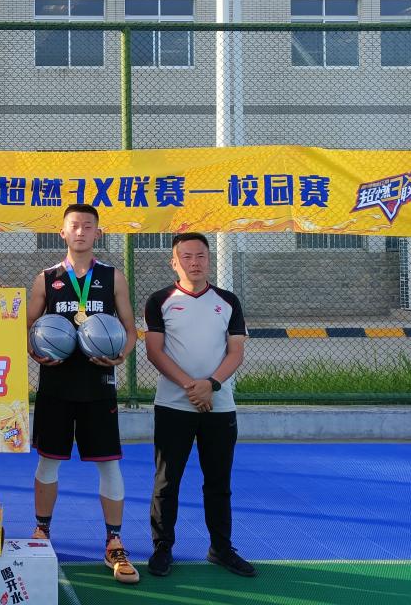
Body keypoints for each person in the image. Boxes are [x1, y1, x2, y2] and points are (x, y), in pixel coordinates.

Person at [25, 203, 140, 585]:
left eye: (87, 226)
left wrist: (121, 354)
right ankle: (42, 530)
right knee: (48, 463)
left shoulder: (112, 277)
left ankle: (114, 541)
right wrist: (34, 350)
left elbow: (129, 328)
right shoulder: (46, 279)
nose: (80, 232)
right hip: (56, 385)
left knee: (108, 465)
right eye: (74, 226)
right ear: (62, 232)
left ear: (97, 233)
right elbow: (27, 327)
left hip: (98, 385)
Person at [143, 232, 256, 578]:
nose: (194, 262)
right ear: (174, 262)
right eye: (187, 257)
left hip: (219, 407)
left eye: (201, 256)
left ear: (209, 260)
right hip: (173, 406)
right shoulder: (159, 300)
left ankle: (221, 548)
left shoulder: (228, 301)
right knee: (167, 481)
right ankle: (163, 548)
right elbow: (154, 351)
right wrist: (190, 387)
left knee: (218, 482)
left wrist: (211, 385)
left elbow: (235, 352)